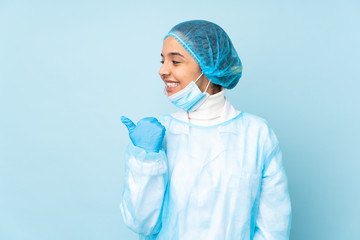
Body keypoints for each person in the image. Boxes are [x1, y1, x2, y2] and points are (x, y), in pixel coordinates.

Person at [120, 20, 291, 240]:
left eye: (175, 61)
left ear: (208, 64)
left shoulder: (257, 135)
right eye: (163, 61)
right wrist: (146, 160)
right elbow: (140, 224)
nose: (162, 71)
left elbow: (274, 228)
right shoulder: (157, 135)